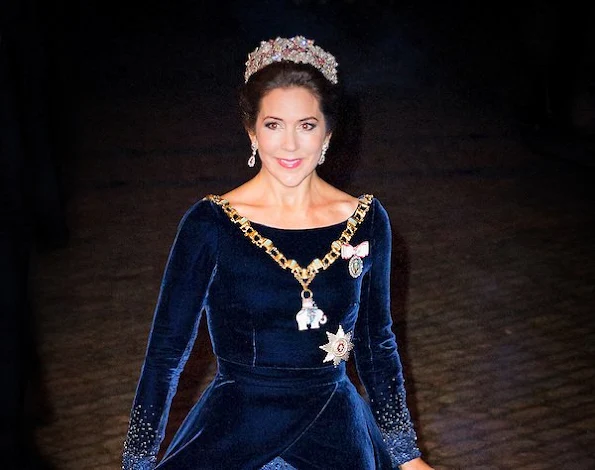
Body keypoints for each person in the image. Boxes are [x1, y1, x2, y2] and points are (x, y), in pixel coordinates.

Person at [122, 36, 433, 470]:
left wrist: (407, 455)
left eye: (306, 125)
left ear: (328, 132)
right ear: (251, 130)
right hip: (233, 432)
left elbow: (376, 345)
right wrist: (136, 464)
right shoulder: (209, 224)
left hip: (336, 433)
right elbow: (165, 355)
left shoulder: (366, 220)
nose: (290, 145)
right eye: (273, 125)